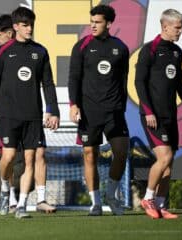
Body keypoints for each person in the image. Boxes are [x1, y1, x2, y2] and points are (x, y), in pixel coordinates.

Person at [0, 7, 60, 219]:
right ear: (15, 27)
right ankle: (5, 188)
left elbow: (48, 84)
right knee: (7, 157)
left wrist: (52, 110)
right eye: (25, 25)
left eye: (31, 25)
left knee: (30, 159)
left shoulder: (41, 52)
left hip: (33, 116)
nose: (29, 29)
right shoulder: (0, 52)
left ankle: (22, 206)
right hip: (8, 115)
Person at [68, 4, 129, 216]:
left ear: (109, 23)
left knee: (121, 153)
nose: (93, 26)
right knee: (89, 155)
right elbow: (74, 78)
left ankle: (111, 195)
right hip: (89, 112)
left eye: (98, 22)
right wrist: (73, 104)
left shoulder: (120, 48)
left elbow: (123, 81)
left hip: (114, 112)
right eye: (91, 22)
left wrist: (120, 106)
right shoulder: (82, 46)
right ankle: (95, 203)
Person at [135, 9, 182, 219]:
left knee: (169, 164)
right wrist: (149, 111)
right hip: (153, 116)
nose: (180, 31)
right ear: (165, 26)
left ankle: (160, 206)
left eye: (181, 27)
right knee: (165, 156)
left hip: (170, 114)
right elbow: (139, 83)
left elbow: (179, 82)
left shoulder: (177, 52)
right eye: (177, 27)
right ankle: (148, 198)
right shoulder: (149, 50)